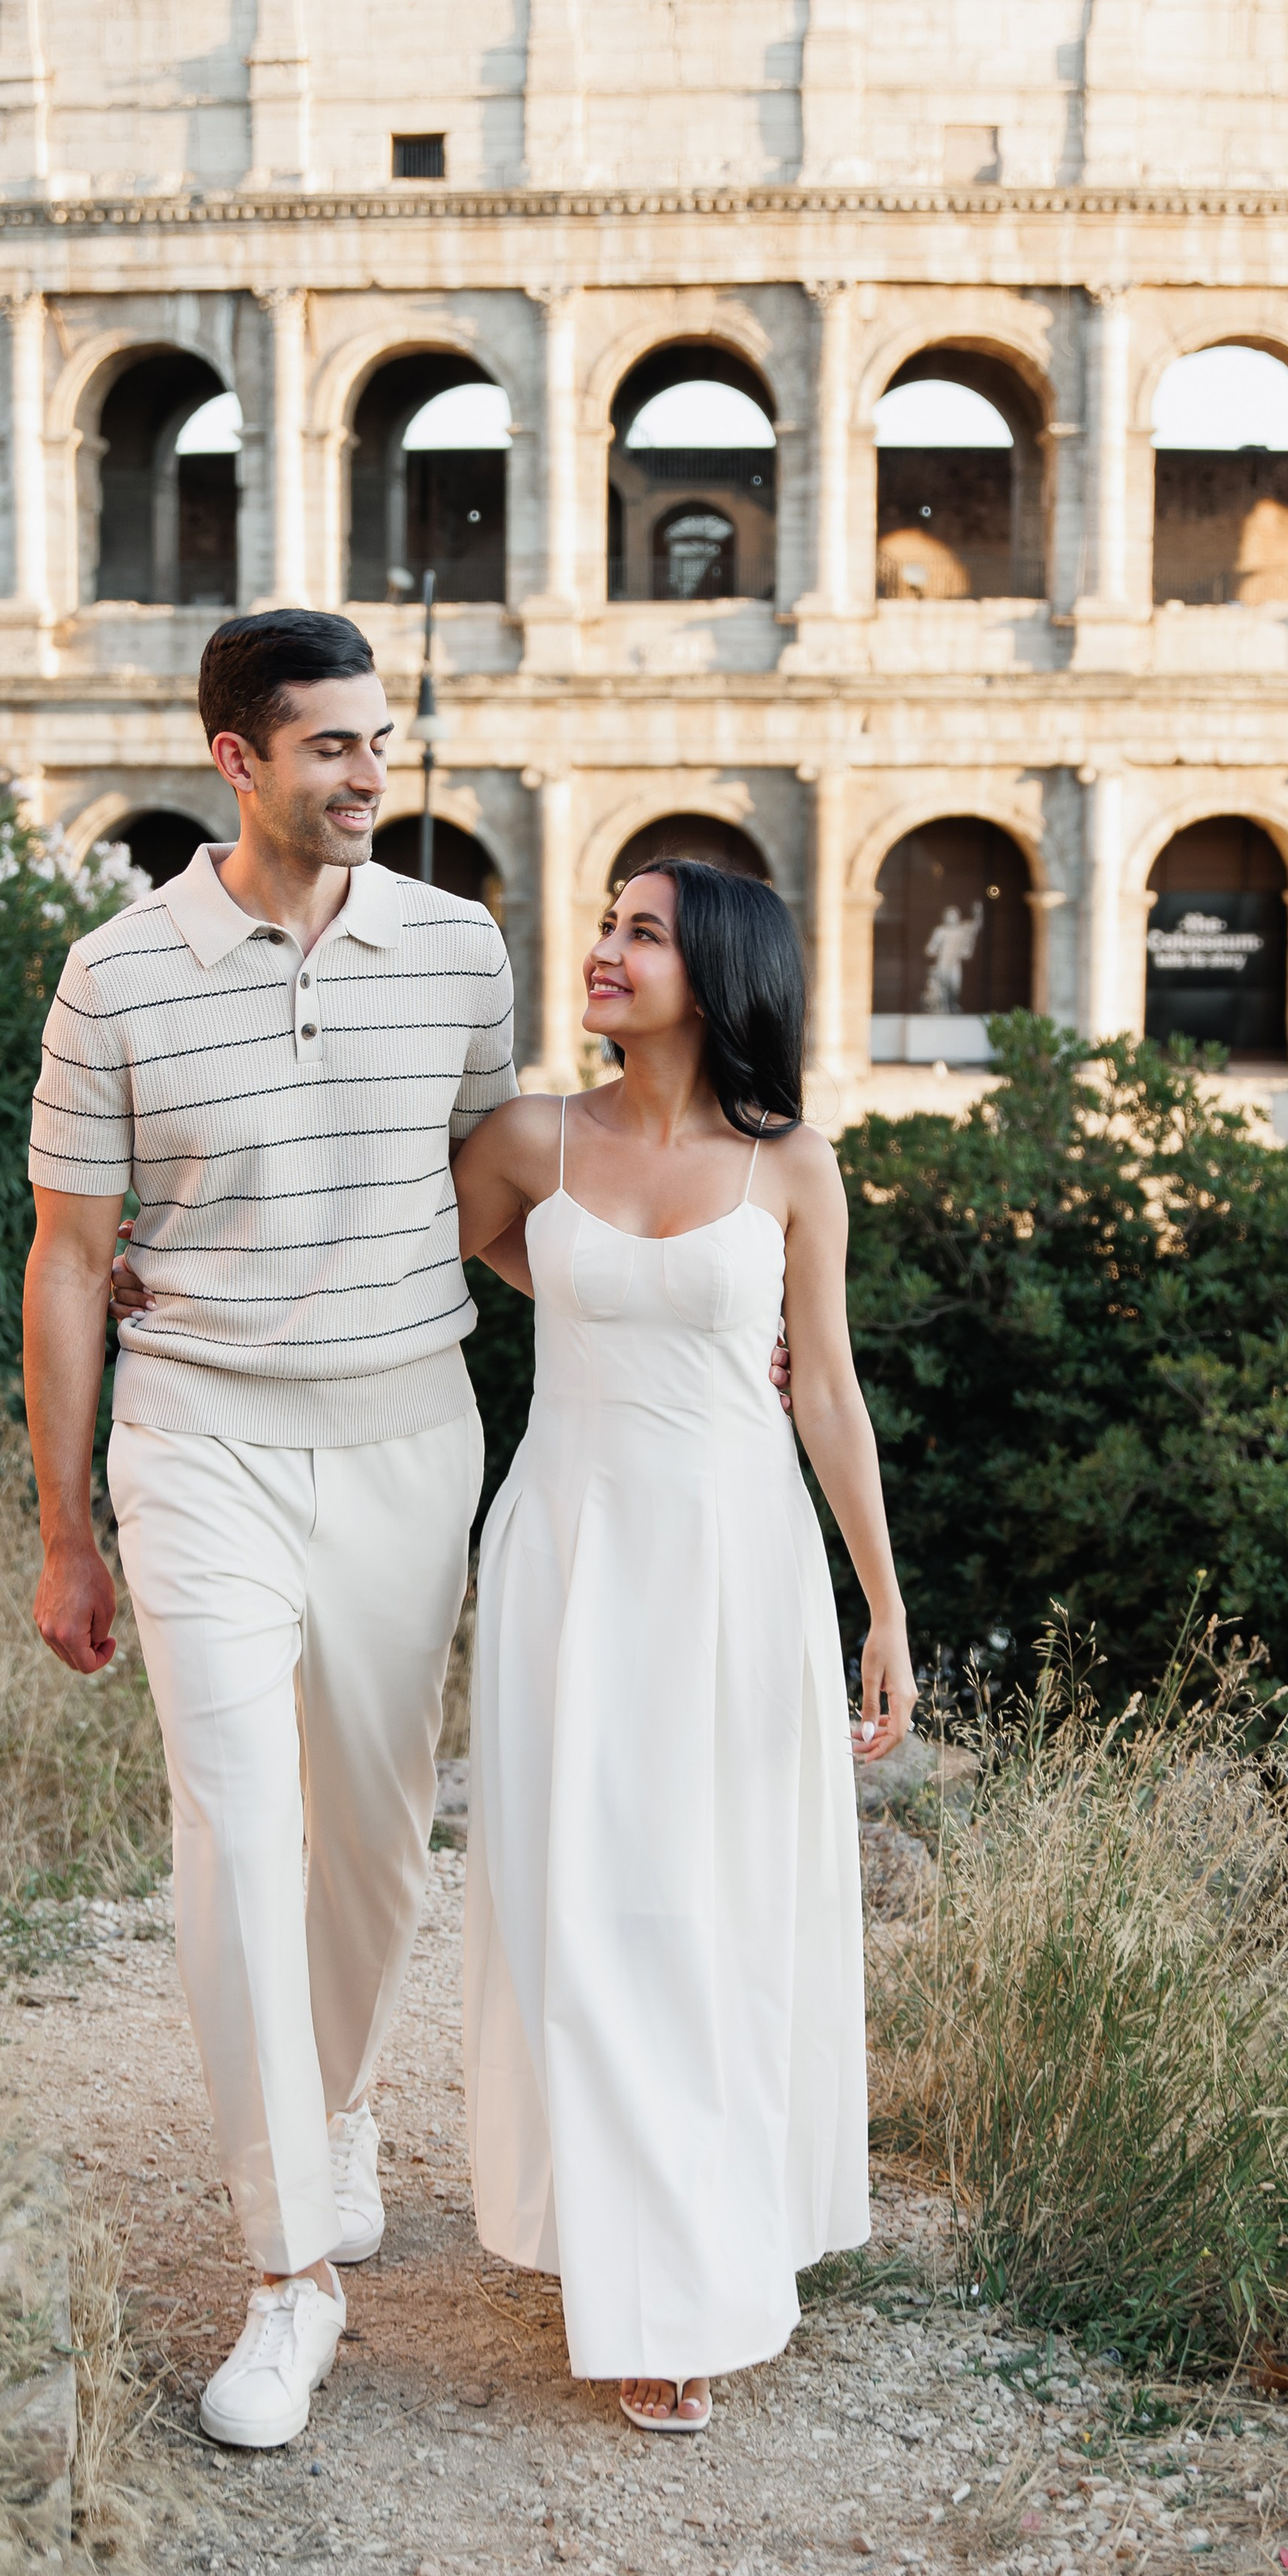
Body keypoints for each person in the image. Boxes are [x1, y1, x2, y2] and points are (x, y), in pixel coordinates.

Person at [22, 607, 516, 2452]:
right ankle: (288, 2276)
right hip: (197, 1439)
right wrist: (66, 1529)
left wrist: (688, 1313)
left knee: (378, 1849)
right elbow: (72, 1260)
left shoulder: (457, 947)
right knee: (237, 1832)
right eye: (330, 747)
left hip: (408, 1437)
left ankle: (342, 2094)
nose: (369, 776)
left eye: (381, 742)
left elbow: (489, 1190)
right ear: (237, 759)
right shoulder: (115, 975)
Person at [450, 858, 917, 2435]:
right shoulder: (527, 1139)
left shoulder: (795, 1169)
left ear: (715, 974)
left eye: (639, 933)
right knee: (580, 1904)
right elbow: (463, 1260)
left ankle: (692, 2269)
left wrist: (883, 1605)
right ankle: (627, 2265)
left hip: (736, 1565)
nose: (602, 951)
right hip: (568, 1550)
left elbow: (826, 1394)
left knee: (707, 1908)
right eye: (602, 925)